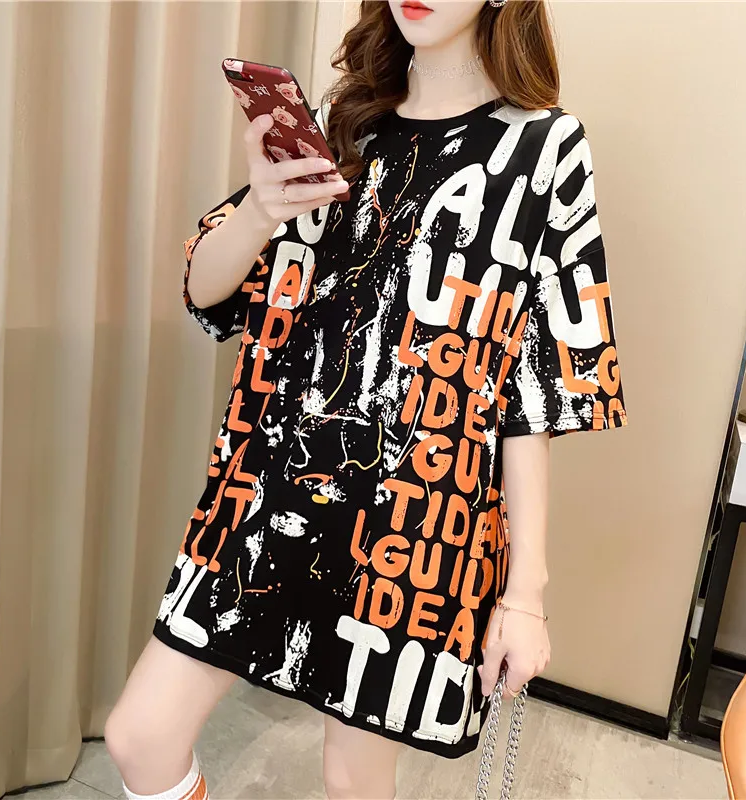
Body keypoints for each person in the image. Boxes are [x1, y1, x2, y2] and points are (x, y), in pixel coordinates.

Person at [104, 0, 629, 798]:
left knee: (354, 781)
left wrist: (526, 595)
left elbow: (533, 391)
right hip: (269, 491)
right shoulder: (340, 125)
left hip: (410, 526)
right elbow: (208, 292)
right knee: (139, 737)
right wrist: (260, 209)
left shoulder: (545, 148)